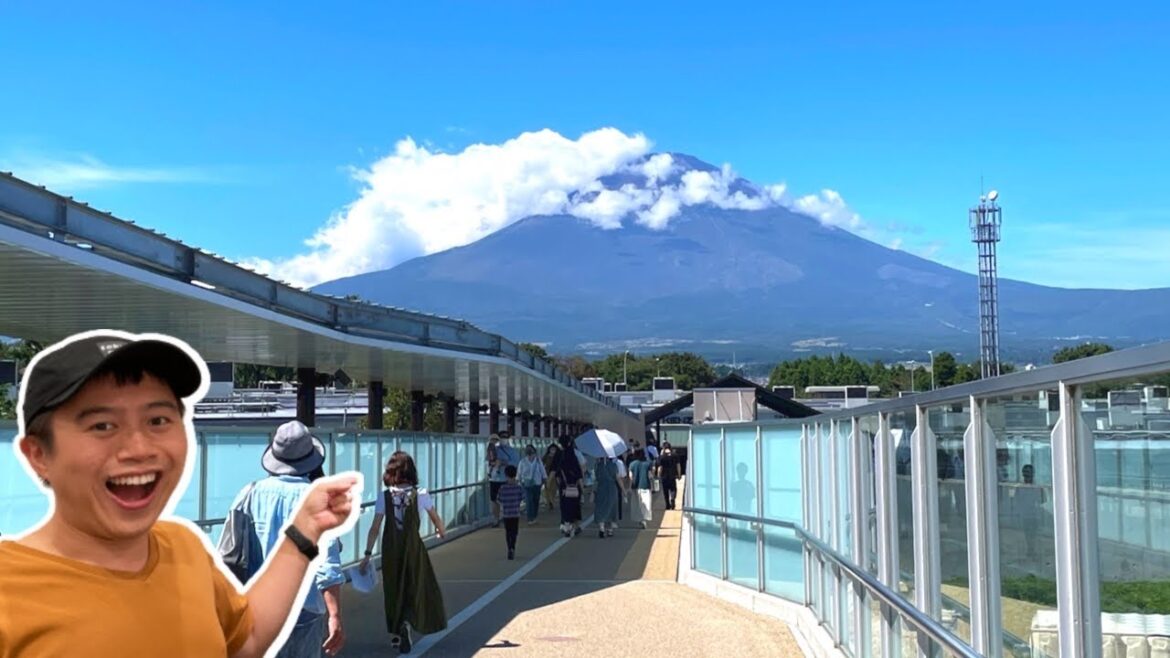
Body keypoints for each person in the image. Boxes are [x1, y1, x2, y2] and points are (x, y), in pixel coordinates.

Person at [0, 330, 358, 657]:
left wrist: (305, 530)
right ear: (38, 456)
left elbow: (244, 641)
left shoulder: (182, 545)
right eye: (102, 425)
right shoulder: (10, 590)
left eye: (158, 420)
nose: (140, 449)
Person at [224, 420, 347, 657]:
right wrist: (335, 615)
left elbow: (230, 552)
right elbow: (327, 565)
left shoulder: (249, 493)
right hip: (306, 608)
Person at [359, 451, 447, 654]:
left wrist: (367, 553)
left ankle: (398, 628)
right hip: (413, 546)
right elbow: (436, 519)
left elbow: (375, 527)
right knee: (416, 585)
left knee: (393, 588)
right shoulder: (421, 493)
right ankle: (410, 622)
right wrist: (440, 531)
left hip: (391, 547)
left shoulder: (385, 496)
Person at [553, 435, 584, 537]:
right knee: (575, 507)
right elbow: (579, 475)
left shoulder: (560, 456)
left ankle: (567, 527)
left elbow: (557, 475)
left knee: (565, 507)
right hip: (575, 487)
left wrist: (560, 486)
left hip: (564, 487)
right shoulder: (574, 457)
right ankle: (576, 527)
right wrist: (582, 488)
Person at [488, 431, 519, 528]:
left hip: (507, 479)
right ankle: (496, 519)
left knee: (506, 500)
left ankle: (505, 517)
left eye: (505, 438)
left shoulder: (513, 451)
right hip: (494, 478)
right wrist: (495, 463)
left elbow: (515, 464)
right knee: (494, 500)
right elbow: (488, 461)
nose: (503, 440)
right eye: (502, 438)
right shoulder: (493, 449)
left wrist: (504, 462)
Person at [497, 465, 524, 560]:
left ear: (506, 475)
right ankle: (513, 546)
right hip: (515, 513)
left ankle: (509, 548)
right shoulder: (518, 488)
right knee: (514, 532)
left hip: (506, 513)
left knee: (508, 531)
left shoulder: (502, 488)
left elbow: (499, 499)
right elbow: (522, 498)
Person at [517, 444, 547, 525]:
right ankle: (530, 518)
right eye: (529, 453)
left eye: (532, 452)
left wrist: (544, 479)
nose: (530, 454)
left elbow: (542, 470)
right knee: (528, 500)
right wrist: (519, 481)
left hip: (537, 483)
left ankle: (534, 516)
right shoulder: (522, 461)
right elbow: (519, 473)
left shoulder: (538, 461)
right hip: (526, 484)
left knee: (536, 500)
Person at [594, 457, 621, 538]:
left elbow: (596, 478)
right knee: (611, 507)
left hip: (601, 487)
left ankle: (601, 527)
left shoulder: (598, 466)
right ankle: (610, 529)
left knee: (601, 507)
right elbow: (617, 478)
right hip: (611, 488)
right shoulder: (613, 465)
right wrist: (623, 490)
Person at [628, 449, 654, 529]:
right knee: (646, 503)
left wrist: (629, 488)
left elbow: (631, 477)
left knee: (637, 504)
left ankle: (640, 519)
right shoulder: (648, 464)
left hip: (635, 487)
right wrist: (652, 486)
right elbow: (650, 476)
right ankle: (644, 519)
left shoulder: (632, 464)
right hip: (646, 486)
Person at [656, 443, 680, 510]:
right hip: (672, 476)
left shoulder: (661, 457)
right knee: (673, 489)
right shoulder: (675, 455)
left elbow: (660, 468)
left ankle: (667, 505)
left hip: (664, 476)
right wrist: (679, 474)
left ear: (663, 448)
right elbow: (678, 466)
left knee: (665, 491)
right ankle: (672, 499)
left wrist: (658, 476)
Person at [541, 444, 561, 511]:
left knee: (553, 489)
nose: (552, 450)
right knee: (547, 488)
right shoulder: (546, 456)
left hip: (555, 475)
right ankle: (549, 502)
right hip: (547, 474)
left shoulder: (558, 457)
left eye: (554, 449)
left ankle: (551, 501)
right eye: (551, 449)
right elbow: (542, 463)